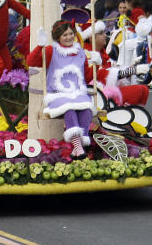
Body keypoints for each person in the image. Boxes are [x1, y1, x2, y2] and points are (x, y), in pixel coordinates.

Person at [27, 20, 103, 157]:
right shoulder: (51, 51)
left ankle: (78, 148)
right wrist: (39, 46)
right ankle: (79, 147)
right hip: (58, 93)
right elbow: (31, 62)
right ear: (58, 37)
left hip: (77, 92)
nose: (68, 37)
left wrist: (96, 66)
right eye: (64, 35)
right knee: (69, 108)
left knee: (86, 109)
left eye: (70, 34)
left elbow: (85, 77)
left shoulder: (80, 52)